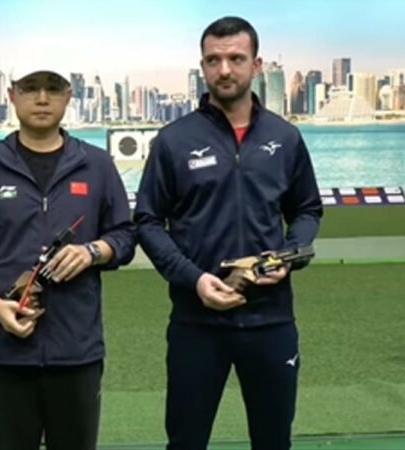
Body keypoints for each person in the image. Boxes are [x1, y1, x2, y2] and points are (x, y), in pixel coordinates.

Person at [134, 16, 323, 450]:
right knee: (186, 442)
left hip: (271, 320)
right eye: (214, 60)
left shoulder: (285, 137)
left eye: (236, 58)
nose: (224, 69)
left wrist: (291, 254)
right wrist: (194, 279)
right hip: (196, 323)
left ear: (256, 66)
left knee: (274, 441)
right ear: (202, 66)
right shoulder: (173, 141)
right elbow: (147, 221)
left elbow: (307, 209)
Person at [0, 61, 135, 450]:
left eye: (53, 88)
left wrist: (93, 251)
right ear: (11, 95)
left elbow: (125, 235)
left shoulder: (96, 164)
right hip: (5, 351)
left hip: (77, 351)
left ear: (69, 96)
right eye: (30, 88)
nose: (42, 98)